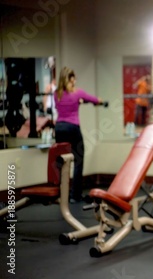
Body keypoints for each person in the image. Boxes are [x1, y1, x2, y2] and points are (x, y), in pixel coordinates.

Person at [54, 67, 105, 203]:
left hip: (59, 128)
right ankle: (75, 195)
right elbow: (95, 100)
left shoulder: (56, 94)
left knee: (61, 161)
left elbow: (64, 104)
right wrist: (100, 101)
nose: (75, 81)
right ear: (71, 79)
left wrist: (80, 102)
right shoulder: (78, 93)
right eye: (74, 78)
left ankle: (60, 193)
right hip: (72, 128)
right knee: (78, 160)